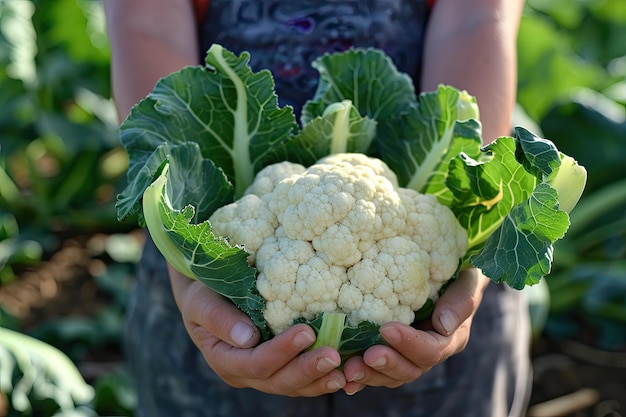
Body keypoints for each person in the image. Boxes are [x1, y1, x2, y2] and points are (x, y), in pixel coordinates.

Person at [103, 0, 531, 415]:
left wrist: (467, 234)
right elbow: (147, 23)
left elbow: (475, 18)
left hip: (430, 327)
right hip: (211, 316)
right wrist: (189, 267)